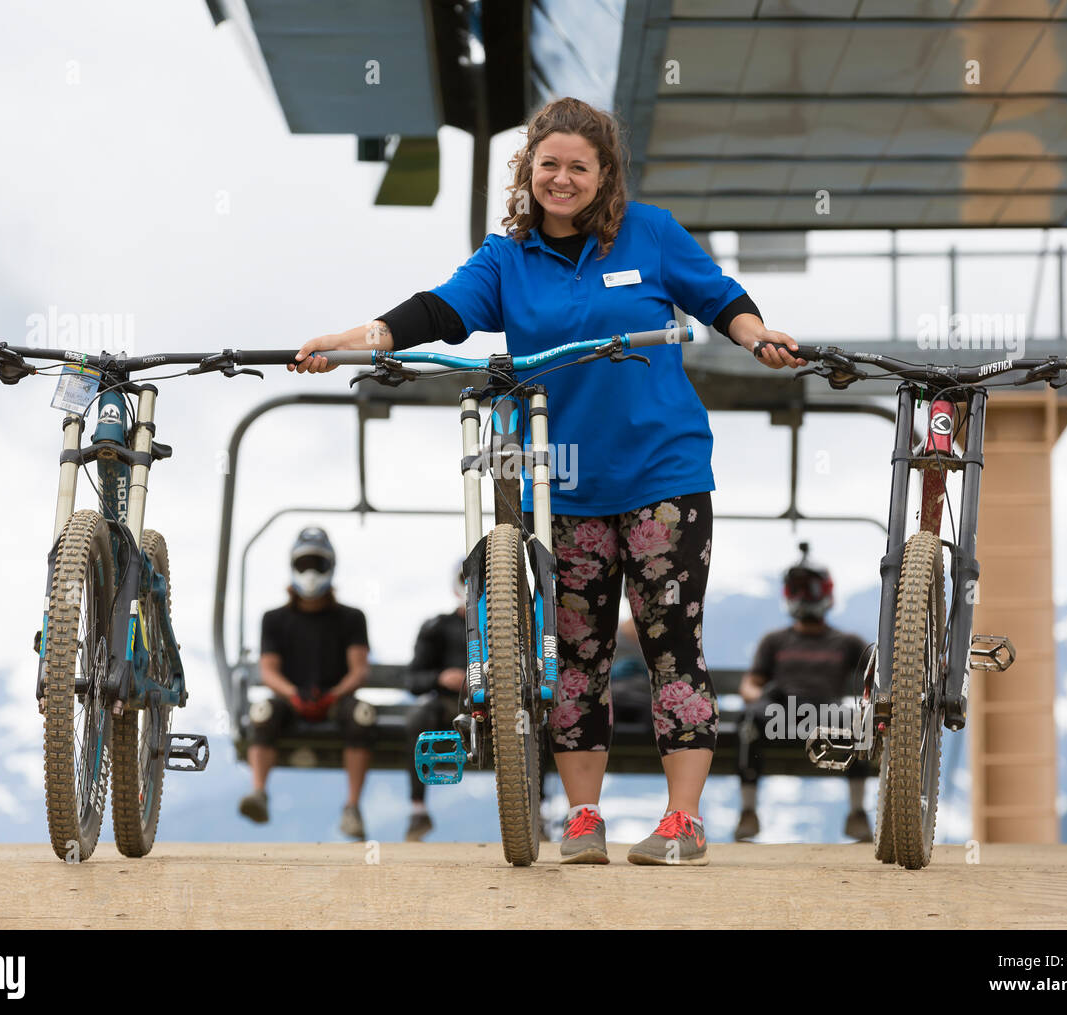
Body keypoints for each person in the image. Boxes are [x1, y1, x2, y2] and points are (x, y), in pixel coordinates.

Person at [291, 96, 803, 866]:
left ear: (605, 176)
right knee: (575, 656)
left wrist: (757, 334)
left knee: (671, 644)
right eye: (548, 164)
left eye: (578, 167)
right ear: (527, 169)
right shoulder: (507, 257)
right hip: (561, 486)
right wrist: (355, 340)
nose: (561, 179)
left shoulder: (650, 234)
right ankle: (584, 816)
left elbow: (720, 298)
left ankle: (684, 820)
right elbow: (439, 310)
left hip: (663, 471)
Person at [238, 527, 374, 840]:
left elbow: (359, 670)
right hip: (291, 700)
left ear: (330, 567)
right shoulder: (274, 619)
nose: (310, 572)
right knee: (261, 713)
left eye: (317, 564)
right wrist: (293, 693)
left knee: (362, 715)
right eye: (304, 564)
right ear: (293, 567)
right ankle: (258, 792)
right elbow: (268, 670)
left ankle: (352, 808)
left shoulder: (352, 618)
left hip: (335, 700)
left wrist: (333, 695)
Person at [735, 543, 872, 843]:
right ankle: (748, 813)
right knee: (748, 722)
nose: (804, 598)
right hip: (781, 715)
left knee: (859, 724)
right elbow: (751, 683)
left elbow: (873, 680)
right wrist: (757, 698)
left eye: (808, 590)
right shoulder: (774, 641)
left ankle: (858, 813)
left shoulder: (847, 642)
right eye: (798, 590)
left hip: (826, 717)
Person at [403, 562, 468, 841]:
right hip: (447, 708)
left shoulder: (512, 628)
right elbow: (413, 681)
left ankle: (534, 812)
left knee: (531, 722)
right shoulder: (437, 627)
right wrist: (441, 678)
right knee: (418, 720)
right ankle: (418, 810)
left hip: (497, 709)